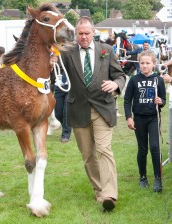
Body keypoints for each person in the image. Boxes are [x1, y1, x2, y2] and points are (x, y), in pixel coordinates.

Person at [56, 17, 126, 211]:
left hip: (103, 108)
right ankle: (99, 189)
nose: (84, 37)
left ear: (93, 32)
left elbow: (120, 75)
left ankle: (109, 194)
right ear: (76, 34)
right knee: (88, 155)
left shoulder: (107, 50)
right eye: (80, 33)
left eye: (87, 33)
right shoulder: (67, 53)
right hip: (78, 110)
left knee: (104, 150)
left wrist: (115, 84)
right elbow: (54, 72)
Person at [124, 51, 166, 192]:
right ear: (139, 64)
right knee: (142, 149)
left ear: (153, 64)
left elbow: (163, 99)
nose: (145, 66)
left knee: (155, 148)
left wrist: (160, 101)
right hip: (139, 118)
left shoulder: (158, 80)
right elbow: (127, 100)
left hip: (153, 118)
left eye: (148, 63)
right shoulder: (134, 80)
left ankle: (158, 178)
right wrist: (129, 117)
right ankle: (143, 177)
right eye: (142, 63)